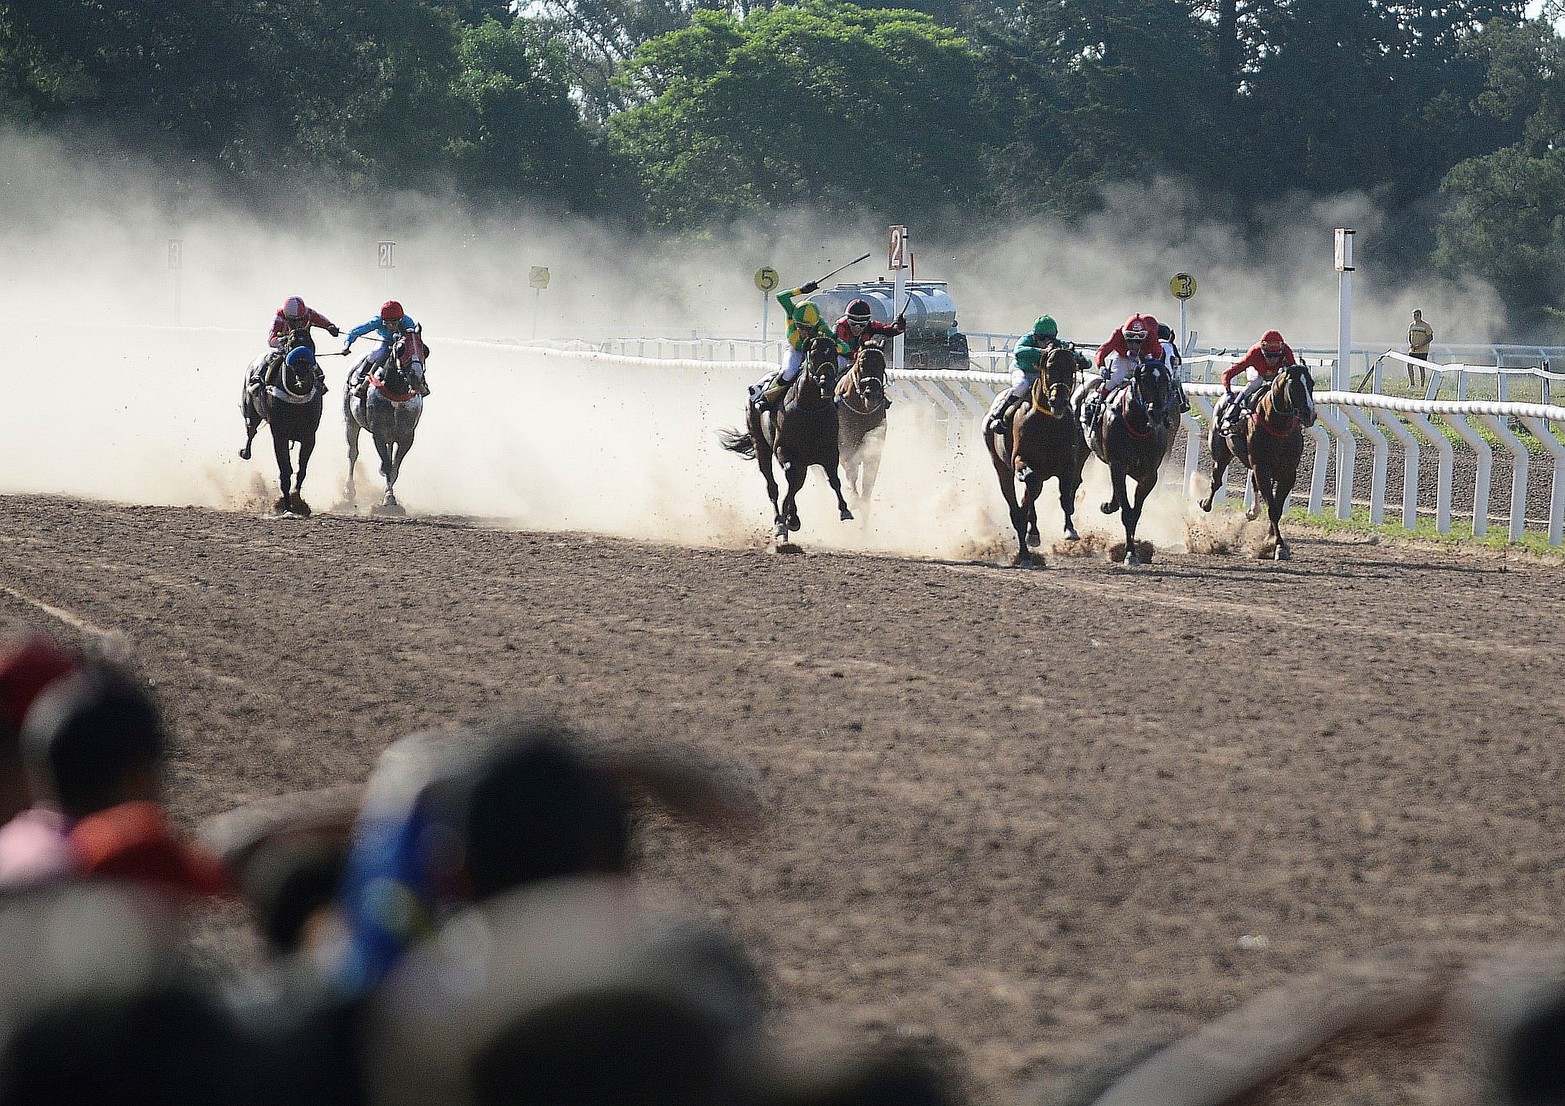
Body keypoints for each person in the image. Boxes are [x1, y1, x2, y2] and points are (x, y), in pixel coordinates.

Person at [750, 281, 847, 412]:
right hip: (794, 349)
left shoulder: (821, 324)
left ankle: (837, 399)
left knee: (834, 367)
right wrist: (801, 290)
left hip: (813, 352)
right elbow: (781, 297)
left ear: (816, 323)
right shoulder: (791, 311)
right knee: (789, 371)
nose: (804, 331)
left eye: (808, 328)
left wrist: (836, 347)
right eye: (800, 326)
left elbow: (843, 346)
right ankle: (766, 397)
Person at [1075, 313, 1165, 422]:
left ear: (1146, 335)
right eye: (1130, 339)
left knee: (1153, 381)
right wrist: (1101, 366)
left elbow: (1157, 353)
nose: (1134, 344)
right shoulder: (1117, 334)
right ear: (1124, 335)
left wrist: (1154, 365)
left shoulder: (1151, 335)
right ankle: (1095, 404)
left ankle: (1163, 409)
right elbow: (1101, 351)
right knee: (1115, 379)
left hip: (1144, 358)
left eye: (1139, 340)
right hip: (1123, 357)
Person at [985, 315, 1065, 435]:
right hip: (1021, 370)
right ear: (1034, 335)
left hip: (1040, 373)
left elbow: (1071, 352)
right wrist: (1042, 352)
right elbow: (1018, 351)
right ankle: (998, 413)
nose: (1045, 342)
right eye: (1041, 338)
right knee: (1022, 385)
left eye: (1050, 338)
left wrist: (1082, 359)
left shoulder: (1056, 343)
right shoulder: (1026, 339)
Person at [343, 300, 430, 399]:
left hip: (402, 342)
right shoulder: (377, 321)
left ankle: (421, 381)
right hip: (385, 340)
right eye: (387, 323)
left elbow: (413, 340)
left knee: (413, 355)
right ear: (382, 321)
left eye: (394, 323)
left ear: (400, 320)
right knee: (377, 353)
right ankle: (360, 377)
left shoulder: (408, 322)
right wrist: (347, 345)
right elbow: (356, 331)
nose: (391, 326)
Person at [1220, 329, 1299, 431]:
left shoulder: (1286, 350)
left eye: (1276, 356)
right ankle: (1230, 415)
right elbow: (1227, 374)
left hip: (1277, 374)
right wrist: (1228, 392)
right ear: (1262, 350)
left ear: (1282, 349)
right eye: (1268, 356)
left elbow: (1295, 372)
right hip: (1257, 372)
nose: (1272, 360)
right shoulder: (1254, 353)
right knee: (1256, 382)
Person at [260, 296, 339, 391]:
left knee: (314, 366)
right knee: (268, 358)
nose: (298, 323)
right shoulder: (279, 317)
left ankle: (320, 383)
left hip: (304, 347)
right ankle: (257, 380)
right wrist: (284, 340)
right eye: (293, 321)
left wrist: (330, 327)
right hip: (285, 349)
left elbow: (321, 320)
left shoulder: (308, 313)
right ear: (287, 317)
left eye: (301, 319)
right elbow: (271, 341)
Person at [834, 298, 905, 375]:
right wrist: (854, 355)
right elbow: (836, 347)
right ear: (847, 320)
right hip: (843, 358)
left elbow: (890, 331)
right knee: (840, 362)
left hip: (860, 359)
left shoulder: (871, 326)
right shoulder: (840, 326)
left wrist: (899, 326)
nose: (857, 328)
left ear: (867, 322)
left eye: (862, 324)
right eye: (853, 324)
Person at [1408, 309, 1435, 389]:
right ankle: (1412, 384)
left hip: (1423, 350)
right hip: (1413, 350)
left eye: (1417, 315)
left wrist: (1421, 345)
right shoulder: (1411, 325)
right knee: (1409, 365)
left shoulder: (1425, 326)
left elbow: (1430, 337)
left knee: (1421, 367)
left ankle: (1422, 385)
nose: (1415, 317)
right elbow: (1409, 336)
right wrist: (1411, 344)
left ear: (1420, 316)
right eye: (1414, 315)